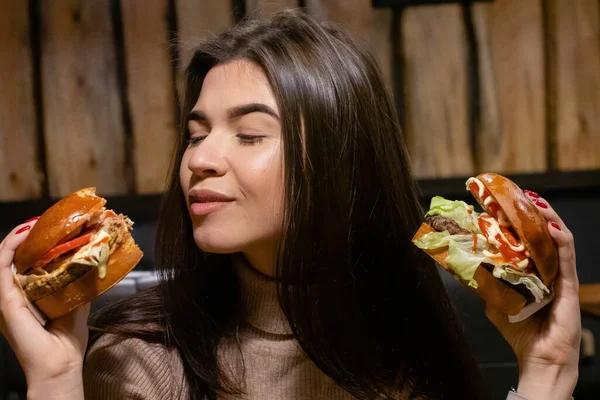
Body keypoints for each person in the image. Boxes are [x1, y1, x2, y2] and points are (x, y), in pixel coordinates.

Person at [0, 10, 580, 400]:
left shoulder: (410, 344)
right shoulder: (138, 363)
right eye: (196, 134)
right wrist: (54, 379)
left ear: (337, 158)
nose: (199, 159)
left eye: (249, 135)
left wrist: (547, 370)